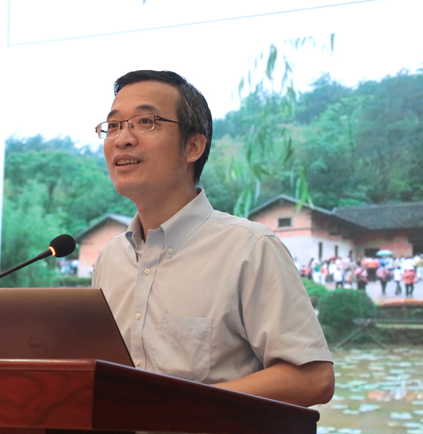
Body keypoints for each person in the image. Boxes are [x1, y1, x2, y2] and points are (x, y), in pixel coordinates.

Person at [91, 70, 334, 408]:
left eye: (146, 122)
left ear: (193, 146)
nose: (122, 139)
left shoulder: (249, 248)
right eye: (114, 125)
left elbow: (313, 378)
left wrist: (178, 406)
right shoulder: (110, 258)